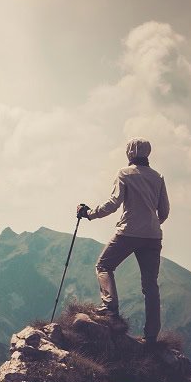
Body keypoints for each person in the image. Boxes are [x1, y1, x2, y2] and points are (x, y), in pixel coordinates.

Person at [77, 138, 170, 344]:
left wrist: (89, 213)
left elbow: (113, 204)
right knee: (150, 286)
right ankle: (151, 337)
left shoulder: (124, 174)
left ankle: (110, 309)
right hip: (153, 236)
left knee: (103, 265)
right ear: (148, 154)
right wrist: (152, 223)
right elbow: (164, 211)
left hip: (128, 232)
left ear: (129, 154)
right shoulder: (158, 177)